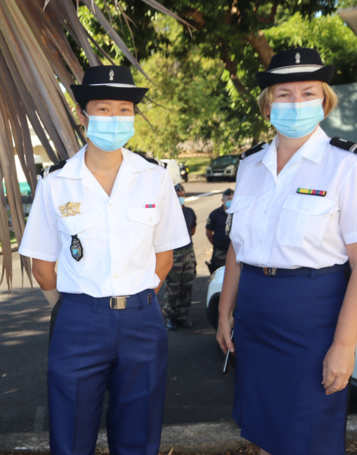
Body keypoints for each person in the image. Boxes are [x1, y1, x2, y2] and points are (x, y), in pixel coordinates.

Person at [215, 47, 357, 455]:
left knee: (310, 434)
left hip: (312, 317)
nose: (296, 102)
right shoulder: (250, 165)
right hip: (255, 316)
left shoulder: (347, 164)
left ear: (324, 100)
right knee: (261, 432)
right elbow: (237, 248)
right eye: (284, 94)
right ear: (268, 104)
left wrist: (344, 346)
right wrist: (226, 311)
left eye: (308, 92)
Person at [20, 65, 189, 455]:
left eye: (124, 109)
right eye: (103, 108)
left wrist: (136, 297)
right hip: (79, 320)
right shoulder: (56, 182)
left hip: (142, 321)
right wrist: (71, 307)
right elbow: (42, 266)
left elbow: (164, 255)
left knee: (140, 435)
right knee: (71, 435)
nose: (114, 118)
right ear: (83, 117)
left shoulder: (155, 177)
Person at [162, 183, 197, 330]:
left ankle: (183, 316)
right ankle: (171, 317)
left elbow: (193, 230)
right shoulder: (167, 213)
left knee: (187, 287)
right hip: (174, 253)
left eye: (182, 196)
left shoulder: (189, 212)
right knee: (173, 288)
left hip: (188, 252)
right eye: (178, 196)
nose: (181, 198)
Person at [205, 188, 234, 274]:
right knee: (218, 275)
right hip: (220, 251)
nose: (231, 201)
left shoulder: (239, 213)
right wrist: (216, 244)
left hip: (235, 250)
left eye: (232, 199)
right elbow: (209, 233)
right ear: (222, 200)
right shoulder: (215, 214)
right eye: (228, 199)